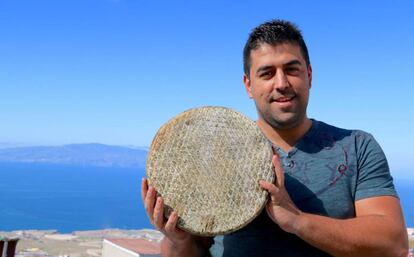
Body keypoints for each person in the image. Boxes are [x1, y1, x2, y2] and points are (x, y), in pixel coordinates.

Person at [141, 19, 409, 257]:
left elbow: (392, 244)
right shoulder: (215, 151)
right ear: (248, 85)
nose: (281, 83)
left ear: (309, 75)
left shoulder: (357, 146)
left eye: (292, 69)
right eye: (267, 73)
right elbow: (195, 250)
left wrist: (297, 220)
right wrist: (177, 240)